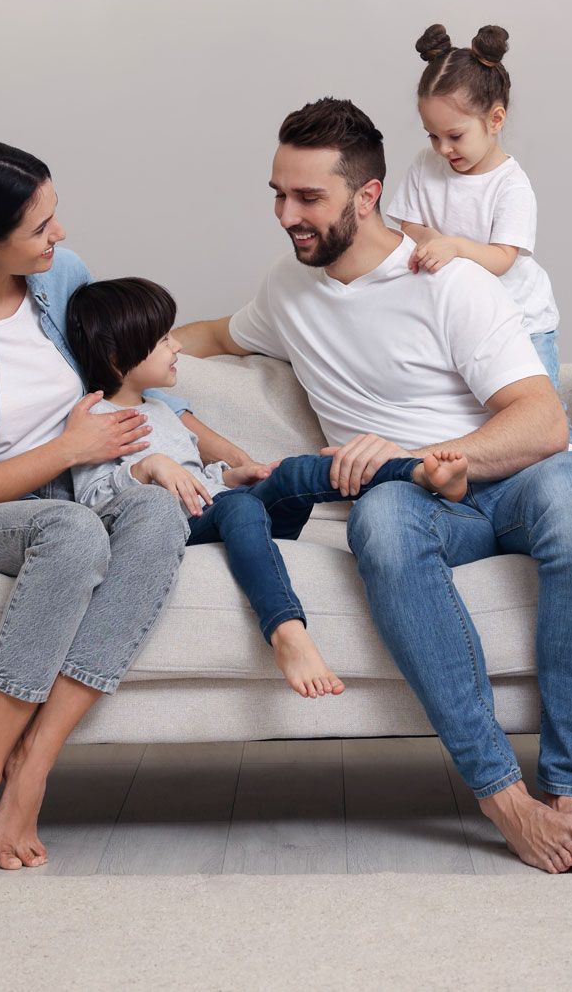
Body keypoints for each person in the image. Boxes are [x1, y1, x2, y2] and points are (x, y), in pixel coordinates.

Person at [175, 99, 572, 873]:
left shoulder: (447, 281)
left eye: (308, 197)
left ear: (368, 195)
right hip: (413, 500)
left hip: (515, 479)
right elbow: (214, 335)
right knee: (379, 522)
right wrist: (114, 353)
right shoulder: (288, 290)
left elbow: (543, 420)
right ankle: (504, 797)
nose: (286, 216)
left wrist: (429, 453)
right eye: (279, 195)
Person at [0, 140, 245, 874]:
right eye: (40, 228)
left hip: (82, 489)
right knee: (71, 530)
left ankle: (33, 765)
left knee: (156, 511)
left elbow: (128, 376)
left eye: (55, 217)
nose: (60, 237)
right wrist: (70, 449)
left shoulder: (62, 278)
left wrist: (224, 451)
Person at [63, 275, 470, 699]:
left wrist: (230, 476)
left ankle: (417, 472)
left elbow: (198, 480)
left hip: (224, 510)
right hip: (184, 527)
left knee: (290, 472)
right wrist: (147, 468)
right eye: (163, 340)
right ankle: (287, 632)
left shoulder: (162, 410)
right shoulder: (95, 421)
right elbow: (94, 502)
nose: (177, 346)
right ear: (117, 359)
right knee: (239, 507)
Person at [390, 24, 563, 389]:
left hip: (521, 322)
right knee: (478, 408)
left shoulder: (510, 185)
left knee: (538, 407)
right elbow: (408, 226)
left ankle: (562, 431)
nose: (443, 148)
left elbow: (502, 258)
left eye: (455, 136)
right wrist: (431, 240)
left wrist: (452, 246)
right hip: (461, 319)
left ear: (494, 120)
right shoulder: (426, 165)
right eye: (433, 136)